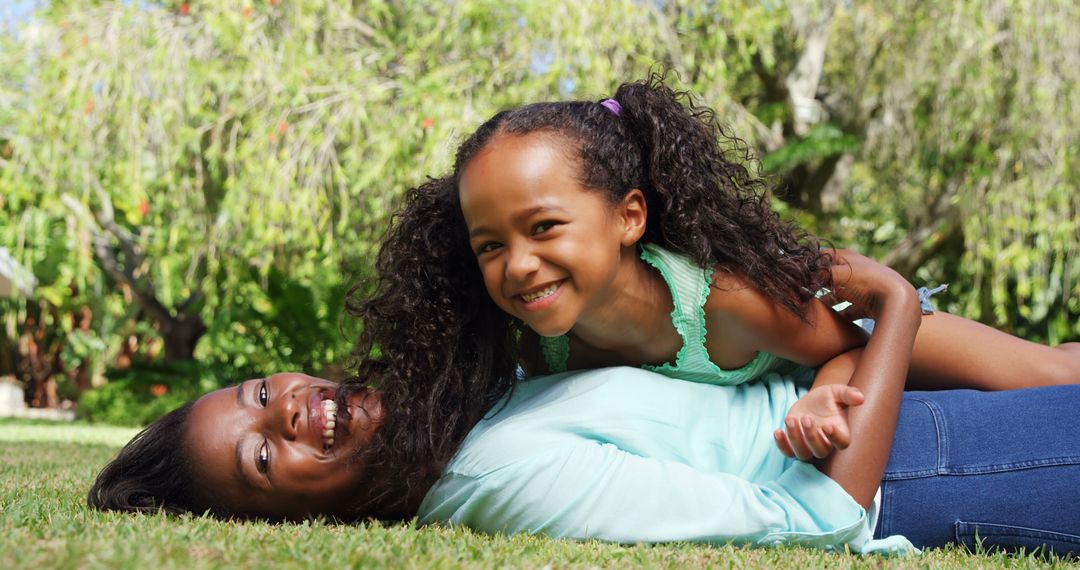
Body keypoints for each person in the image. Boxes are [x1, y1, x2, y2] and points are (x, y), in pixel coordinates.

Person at [351, 73, 1079, 463]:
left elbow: (847, 346)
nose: (518, 265)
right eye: (490, 246)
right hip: (803, 366)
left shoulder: (720, 301)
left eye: (544, 228)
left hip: (871, 326)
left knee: (1051, 378)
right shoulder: (540, 345)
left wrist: (821, 399)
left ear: (630, 218)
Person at [88, 366, 1080, 555]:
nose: (292, 414)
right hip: (914, 472)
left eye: (261, 393)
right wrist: (899, 306)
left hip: (901, 417)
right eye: (263, 457)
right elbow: (816, 517)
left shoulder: (462, 406)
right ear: (299, 521)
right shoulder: (493, 478)